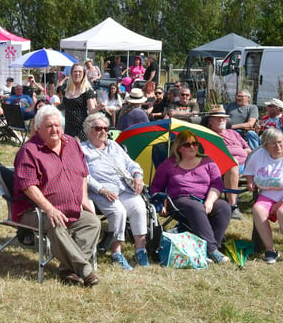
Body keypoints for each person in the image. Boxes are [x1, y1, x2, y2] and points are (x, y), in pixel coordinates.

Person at [13, 105, 100, 286]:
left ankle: (67, 269)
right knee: (56, 223)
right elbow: (28, 186)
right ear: (38, 129)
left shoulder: (72, 143)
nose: (55, 129)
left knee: (93, 222)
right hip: (35, 210)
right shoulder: (29, 151)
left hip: (70, 207)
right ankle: (84, 270)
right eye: (49, 126)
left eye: (57, 125)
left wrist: (84, 198)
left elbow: (83, 173)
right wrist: (49, 209)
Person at [150, 130, 231, 264]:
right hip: (179, 200)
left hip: (206, 198)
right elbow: (156, 187)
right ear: (179, 148)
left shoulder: (208, 162)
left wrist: (210, 202)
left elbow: (217, 185)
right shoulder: (168, 165)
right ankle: (212, 250)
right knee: (195, 207)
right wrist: (161, 202)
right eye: (187, 145)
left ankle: (210, 249)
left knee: (223, 207)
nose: (192, 147)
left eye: (195, 144)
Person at [81, 113, 150, 269]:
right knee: (119, 211)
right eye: (98, 128)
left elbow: (132, 164)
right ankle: (116, 252)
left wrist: (138, 176)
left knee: (139, 206)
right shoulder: (83, 149)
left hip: (123, 188)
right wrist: (102, 189)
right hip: (100, 191)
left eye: (106, 128)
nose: (103, 131)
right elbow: (84, 175)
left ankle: (141, 250)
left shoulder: (113, 145)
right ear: (88, 130)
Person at [244, 128, 283, 263]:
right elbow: (248, 171)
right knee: (258, 210)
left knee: (282, 212)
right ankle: (270, 250)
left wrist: (280, 202)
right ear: (266, 145)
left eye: (280, 142)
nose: (278, 146)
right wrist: (250, 182)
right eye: (273, 143)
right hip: (267, 195)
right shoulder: (259, 154)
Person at [206, 106, 250, 220]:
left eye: (223, 118)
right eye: (218, 118)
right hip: (224, 166)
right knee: (232, 163)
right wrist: (237, 153)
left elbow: (248, 149)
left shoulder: (233, 133)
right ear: (210, 121)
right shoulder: (209, 135)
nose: (222, 120)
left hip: (247, 164)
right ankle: (233, 206)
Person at [62, 63, 98, 140]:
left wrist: (99, 107)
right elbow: (63, 108)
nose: (77, 73)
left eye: (80, 71)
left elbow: (92, 111)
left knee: (77, 148)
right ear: (71, 73)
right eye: (75, 71)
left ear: (84, 74)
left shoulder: (87, 90)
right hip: (67, 128)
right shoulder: (65, 89)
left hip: (81, 129)